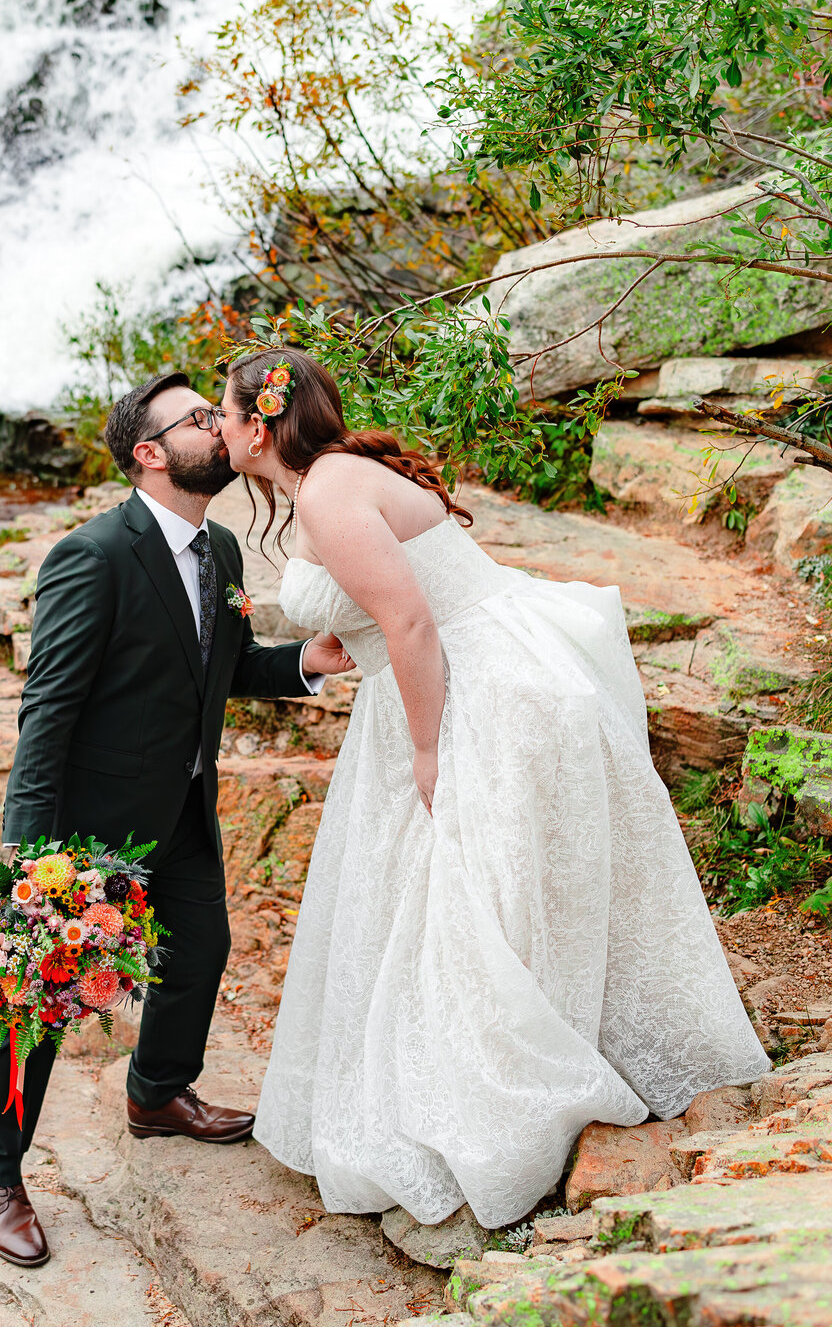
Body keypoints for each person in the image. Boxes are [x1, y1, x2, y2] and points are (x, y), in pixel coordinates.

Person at [217, 346, 769, 1231]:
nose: (219, 425)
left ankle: (488, 1110)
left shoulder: (324, 489)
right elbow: (387, 605)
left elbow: (409, 617)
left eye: (226, 410)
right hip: (469, 672)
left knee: (468, 895)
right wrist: (333, 651)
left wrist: (431, 752)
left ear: (261, 423)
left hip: (475, 694)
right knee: (455, 896)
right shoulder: (331, 478)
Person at [0, 370, 352, 1267]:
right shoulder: (92, 555)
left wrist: (308, 662)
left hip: (180, 806)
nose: (226, 427)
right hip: (87, 826)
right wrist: (30, 850)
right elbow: (48, 707)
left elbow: (227, 666)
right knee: (39, 999)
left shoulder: (218, 553)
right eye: (200, 419)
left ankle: (157, 1094)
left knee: (201, 951)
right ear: (149, 453)